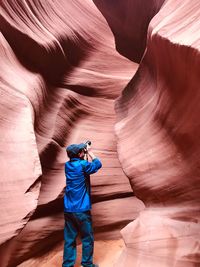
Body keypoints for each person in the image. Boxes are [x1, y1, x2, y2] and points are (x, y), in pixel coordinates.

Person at [63, 142, 102, 267]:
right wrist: (89, 152)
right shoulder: (83, 165)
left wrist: (82, 153)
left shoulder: (67, 166)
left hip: (68, 209)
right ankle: (87, 264)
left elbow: (80, 166)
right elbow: (97, 164)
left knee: (69, 240)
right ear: (80, 154)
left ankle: (67, 265)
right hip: (81, 210)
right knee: (87, 238)